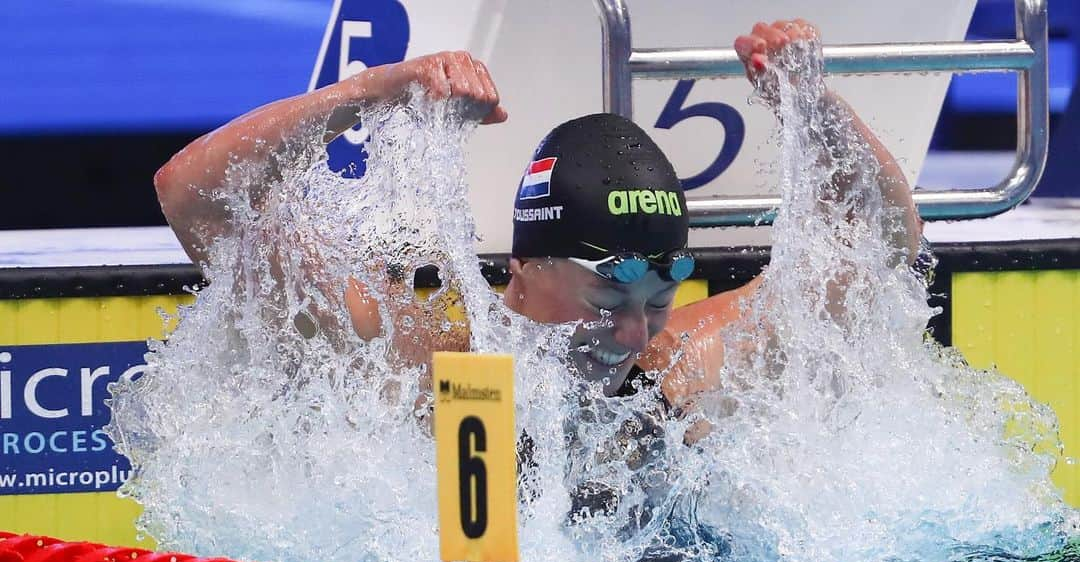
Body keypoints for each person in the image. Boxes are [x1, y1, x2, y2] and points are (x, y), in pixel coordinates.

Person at [154, 19, 921, 415]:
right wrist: (372, 92)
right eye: (609, 297)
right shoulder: (414, 356)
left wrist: (819, 110)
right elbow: (192, 194)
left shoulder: (682, 367)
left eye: (658, 301)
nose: (633, 335)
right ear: (524, 265)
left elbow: (884, 252)